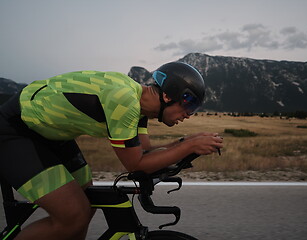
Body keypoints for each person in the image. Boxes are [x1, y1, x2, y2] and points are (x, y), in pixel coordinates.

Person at [0, 61, 223, 240]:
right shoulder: (124, 100)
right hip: (16, 130)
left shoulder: (140, 109)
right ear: (167, 95)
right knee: (73, 217)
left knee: (87, 207)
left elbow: (147, 154)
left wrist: (186, 142)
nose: (189, 114)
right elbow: (135, 164)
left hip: (52, 135)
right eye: (189, 104)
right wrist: (188, 146)